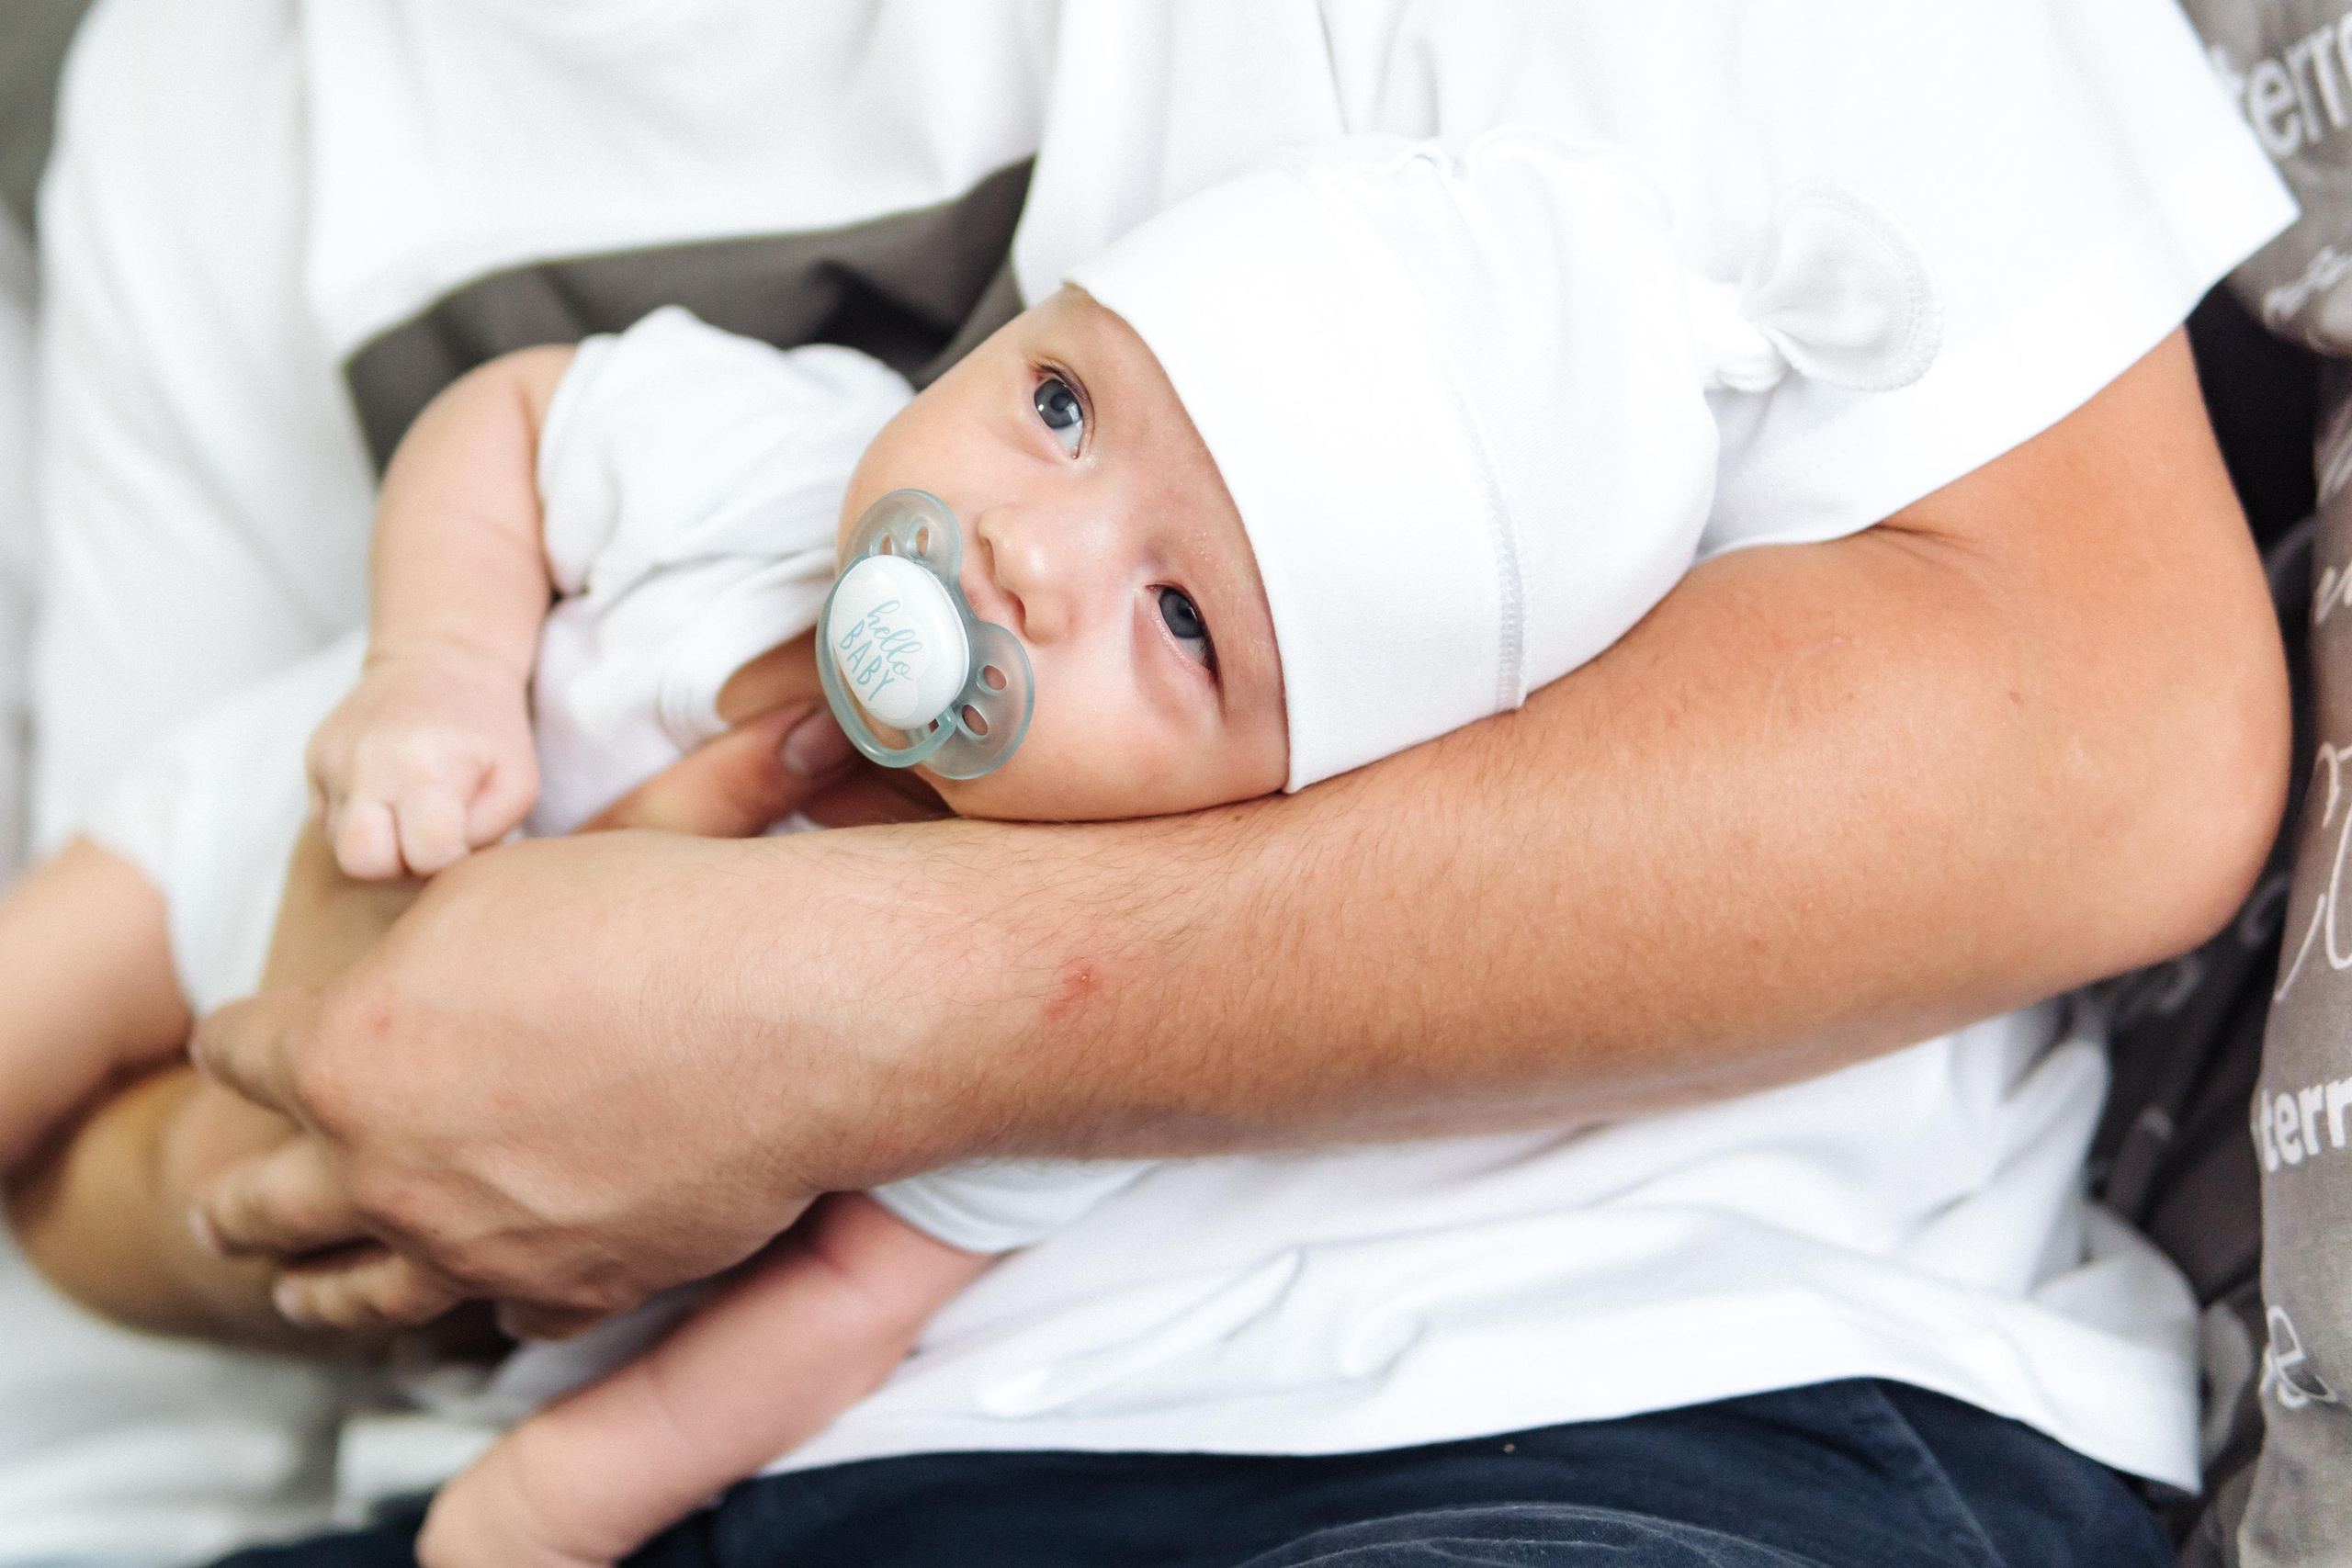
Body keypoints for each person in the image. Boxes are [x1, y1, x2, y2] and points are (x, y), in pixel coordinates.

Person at [23, 2, 2300, 1563]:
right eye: (1048, 413)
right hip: (667, 1453)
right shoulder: (230, 90)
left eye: (1182, 622)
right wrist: (382, 1106)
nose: (1017, 548)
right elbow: (75, 1185)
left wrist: (845, 1018)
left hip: (1592, 1393)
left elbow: (2104, 734)